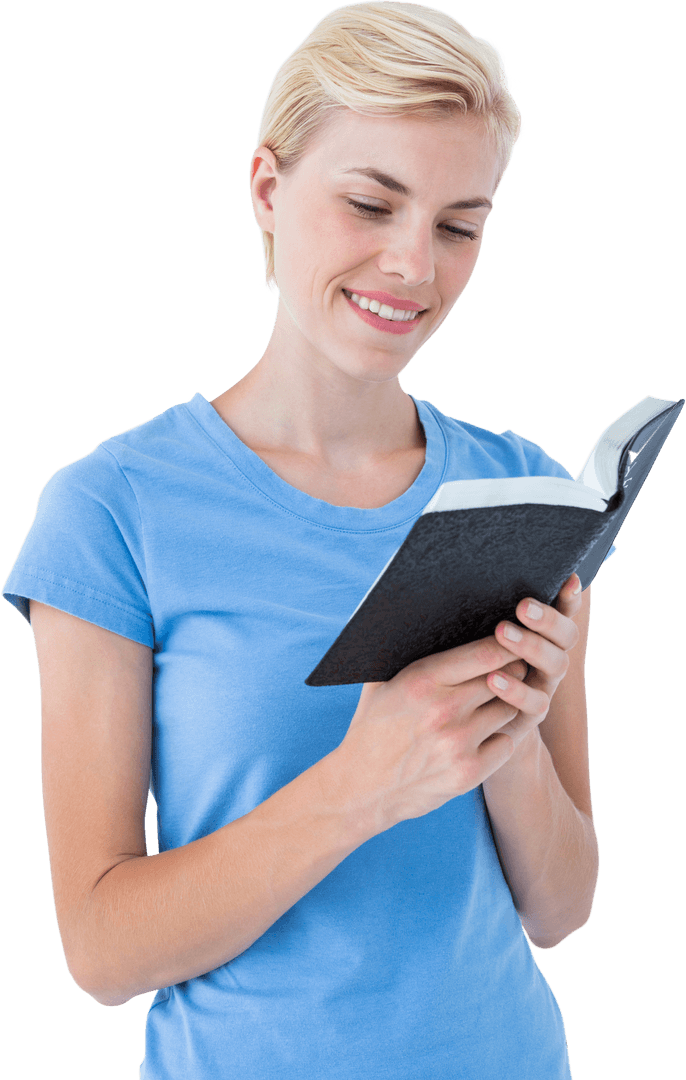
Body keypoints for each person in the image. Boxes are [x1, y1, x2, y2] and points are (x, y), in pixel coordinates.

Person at [1, 3, 615, 1077]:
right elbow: (101, 953)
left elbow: (560, 910)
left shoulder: (519, 487)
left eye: (459, 225)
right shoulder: (113, 509)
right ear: (267, 190)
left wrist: (506, 738)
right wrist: (361, 782)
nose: (412, 265)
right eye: (371, 203)